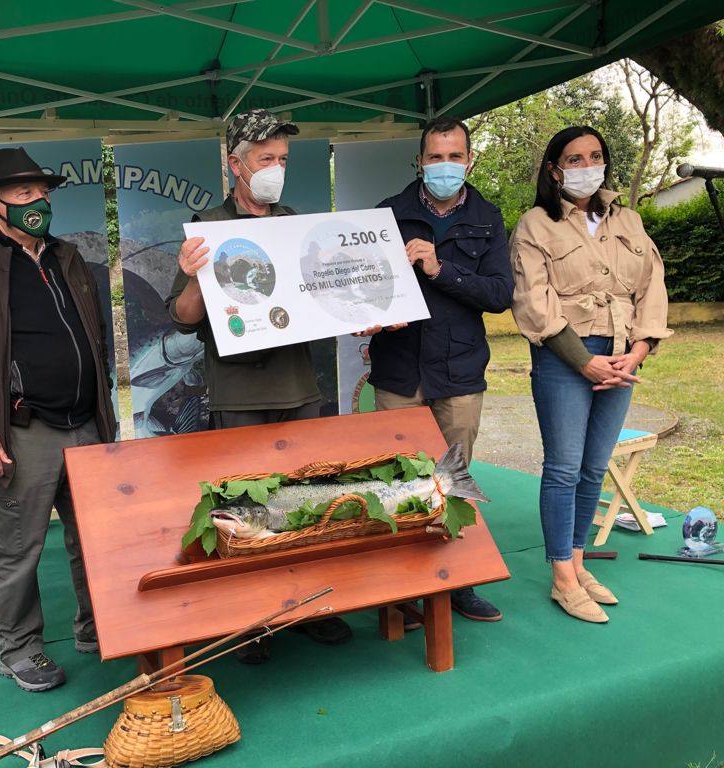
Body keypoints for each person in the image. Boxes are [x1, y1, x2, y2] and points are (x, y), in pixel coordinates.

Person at [0, 147, 116, 692]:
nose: (40, 202)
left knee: (96, 539)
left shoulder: (68, 258)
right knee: (17, 548)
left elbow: (93, 337)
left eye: (43, 192)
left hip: (86, 425)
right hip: (23, 432)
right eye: (25, 194)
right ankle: (20, 648)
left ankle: (96, 627)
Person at [166, 108, 351, 663]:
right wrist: (195, 273)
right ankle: (251, 619)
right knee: (245, 512)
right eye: (265, 159)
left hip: (301, 391)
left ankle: (310, 608)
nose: (276, 168)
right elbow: (182, 316)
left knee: (309, 502)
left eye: (283, 159)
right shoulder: (206, 228)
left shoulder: (296, 223)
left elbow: (330, 298)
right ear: (235, 166)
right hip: (239, 396)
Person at [511, 126, 671, 623]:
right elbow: (533, 303)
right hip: (565, 357)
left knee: (593, 466)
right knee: (563, 467)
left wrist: (639, 351)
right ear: (554, 169)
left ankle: (579, 564)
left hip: (622, 356)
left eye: (595, 156)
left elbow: (653, 288)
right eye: (574, 158)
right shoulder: (535, 225)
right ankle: (562, 576)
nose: (586, 166)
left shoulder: (629, 220)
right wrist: (583, 360)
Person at [362, 116, 513, 623]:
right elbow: (363, 287)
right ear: (419, 161)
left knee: (455, 480)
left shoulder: (489, 218)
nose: (444, 166)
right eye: (434, 156)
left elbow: (499, 295)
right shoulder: (386, 214)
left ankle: (457, 583)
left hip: (459, 371)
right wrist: (368, 317)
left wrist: (440, 269)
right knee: (400, 480)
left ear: (470, 160)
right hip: (400, 369)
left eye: (454, 156)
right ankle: (404, 591)